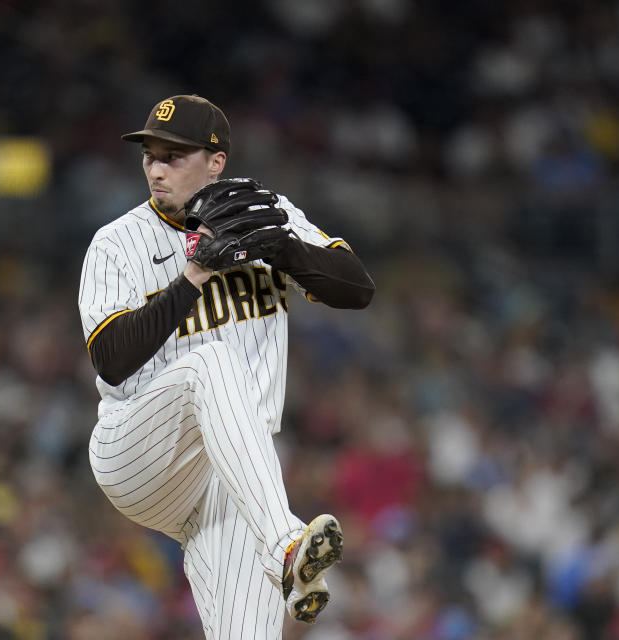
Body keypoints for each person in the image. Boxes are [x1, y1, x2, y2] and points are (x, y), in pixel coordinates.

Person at [77, 94, 375, 638]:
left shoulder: (261, 211)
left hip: (232, 477)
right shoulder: (117, 242)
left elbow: (357, 290)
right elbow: (111, 360)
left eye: (174, 155)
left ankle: (283, 550)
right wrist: (192, 277)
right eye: (150, 155)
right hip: (138, 448)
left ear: (216, 161)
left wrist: (285, 249)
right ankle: (287, 545)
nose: (157, 168)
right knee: (210, 360)